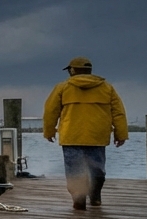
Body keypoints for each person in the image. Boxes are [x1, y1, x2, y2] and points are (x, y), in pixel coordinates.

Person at [43, 56, 127, 210]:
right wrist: (121, 134)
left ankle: (79, 199)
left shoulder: (62, 87)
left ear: (73, 70)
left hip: (71, 136)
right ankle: (95, 195)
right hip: (97, 135)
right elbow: (118, 113)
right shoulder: (107, 88)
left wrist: (49, 131)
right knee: (97, 167)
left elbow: (50, 111)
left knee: (74, 169)